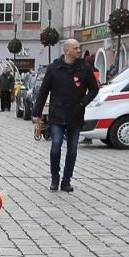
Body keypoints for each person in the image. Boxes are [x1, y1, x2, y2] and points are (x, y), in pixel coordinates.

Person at [33, 39, 100, 192]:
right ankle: (54, 178)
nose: (79, 50)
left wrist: (83, 102)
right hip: (57, 114)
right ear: (67, 50)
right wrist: (37, 113)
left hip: (75, 114)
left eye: (79, 47)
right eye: (76, 48)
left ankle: (66, 180)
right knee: (56, 145)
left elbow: (94, 89)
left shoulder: (84, 68)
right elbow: (43, 91)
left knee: (72, 149)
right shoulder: (55, 68)